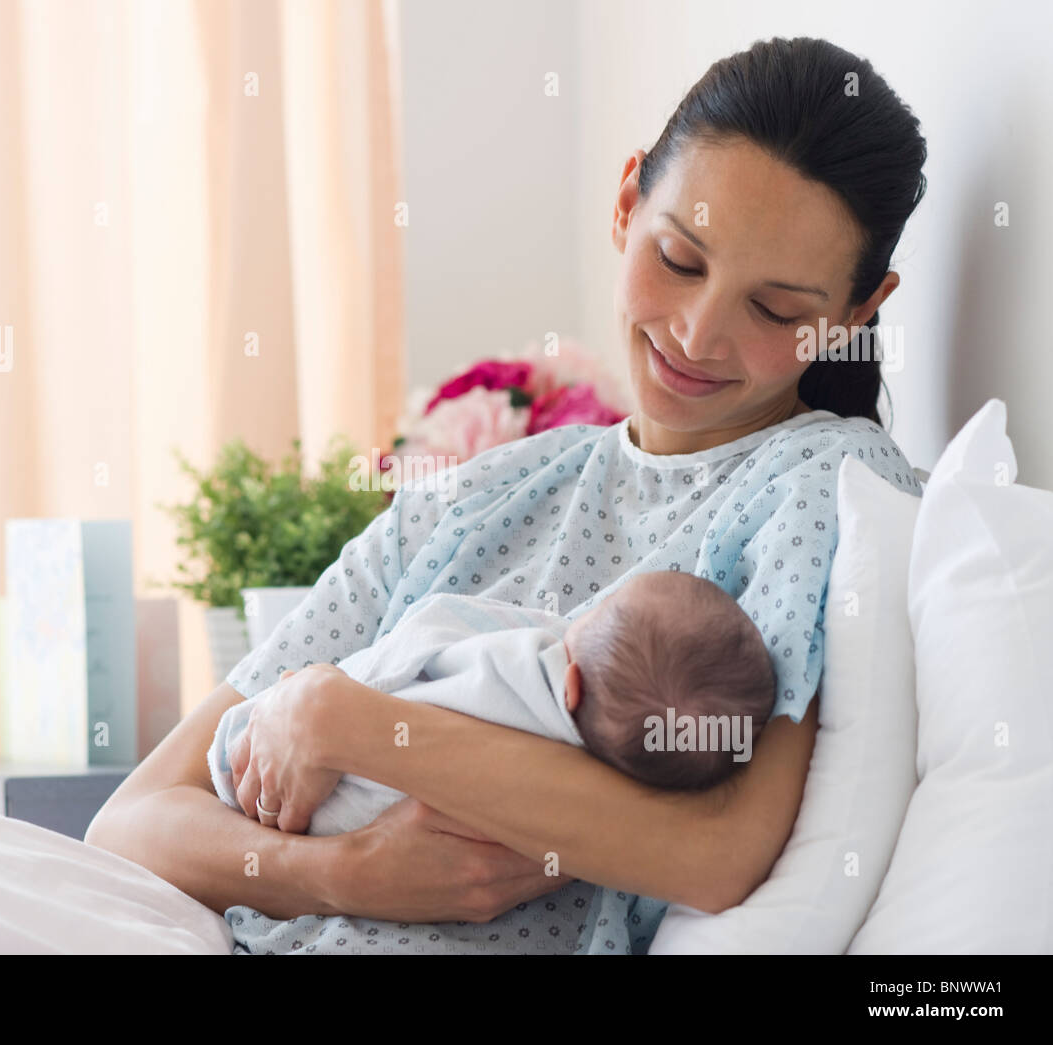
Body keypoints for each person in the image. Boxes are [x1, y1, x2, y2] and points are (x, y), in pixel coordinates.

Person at [86, 35, 928, 954]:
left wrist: (348, 723)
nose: (697, 333)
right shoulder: (475, 498)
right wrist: (350, 872)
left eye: (775, 310)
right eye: (681, 259)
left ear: (854, 314)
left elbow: (717, 848)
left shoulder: (826, 489)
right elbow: (132, 823)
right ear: (624, 200)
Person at [207, 574, 774, 953]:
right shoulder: (615, 789)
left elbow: (430, 633)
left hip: (269, 780)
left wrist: (331, 705)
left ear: (570, 684)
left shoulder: (521, 659)